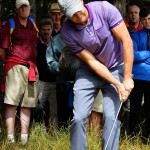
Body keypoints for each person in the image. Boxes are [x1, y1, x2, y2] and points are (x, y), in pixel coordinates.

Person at [57, 0, 134, 150]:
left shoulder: (104, 8)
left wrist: (127, 77)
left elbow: (126, 41)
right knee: (79, 117)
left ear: (81, 1)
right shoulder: (66, 32)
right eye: (73, 15)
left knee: (111, 117)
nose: (79, 16)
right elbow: (92, 62)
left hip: (116, 66)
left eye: (79, 10)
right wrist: (117, 84)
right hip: (89, 72)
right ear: (66, 16)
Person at [0, 0, 39, 145]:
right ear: (17, 9)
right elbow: (2, 51)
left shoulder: (33, 24)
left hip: (31, 68)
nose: (24, 9)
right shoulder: (9, 24)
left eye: (26, 6)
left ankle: (24, 140)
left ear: (29, 8)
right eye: (21, 6)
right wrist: (11, 63)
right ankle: (10, 140)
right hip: (15, 67)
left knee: (27, 104)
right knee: (11, 103)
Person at [129, 6, 150, 143]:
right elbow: (133, 56)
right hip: (137, 77)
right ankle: (131, 137)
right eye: (145, 19)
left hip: (149, 78)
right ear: (141, 21)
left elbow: (138, 56)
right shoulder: (135, 35)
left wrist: (142, 57)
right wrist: (148, 54)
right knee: (134, 109)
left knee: (149, 110)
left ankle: (146, 138)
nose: (148, 22)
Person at [35, 18, 57, 128]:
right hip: (41, 82)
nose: (46, 32)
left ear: (52, 30)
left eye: (48, 29)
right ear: (39, 30)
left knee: (54, 110)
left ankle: (54, 133)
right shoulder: (36, 44)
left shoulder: (56, 43)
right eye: (43, 29)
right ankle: (41, 132)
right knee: (38, 108)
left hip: (55, 82)